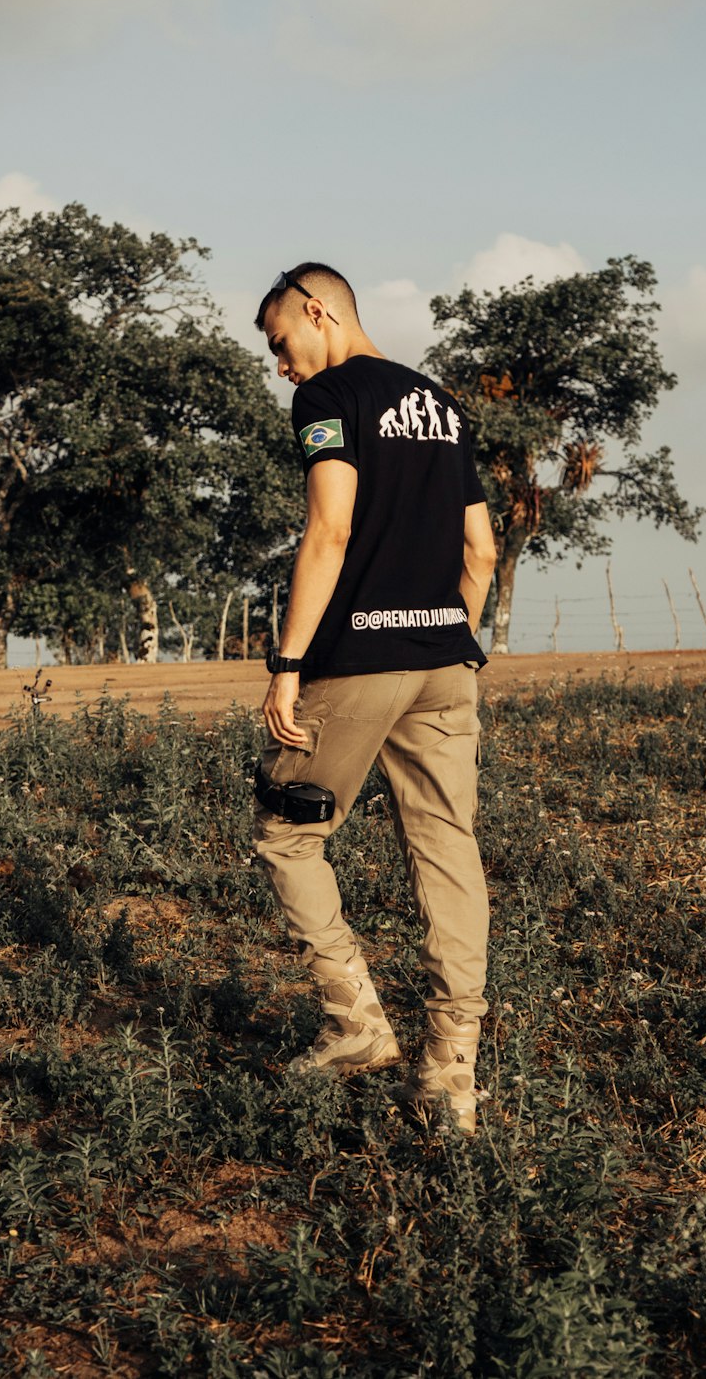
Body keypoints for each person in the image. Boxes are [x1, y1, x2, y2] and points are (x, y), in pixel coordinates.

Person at [252, 262, 497, 1132]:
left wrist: (288, 662)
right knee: (447, 850)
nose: (282, 365)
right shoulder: (444, 406)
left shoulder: (329, 398)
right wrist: (452, 641)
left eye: (282, 343)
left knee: (288, 837)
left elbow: (331, 528)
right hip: (444, 665)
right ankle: (450, 1077)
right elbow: (482, 551)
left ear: (318, 311)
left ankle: (356, 1023)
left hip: (356, 662)